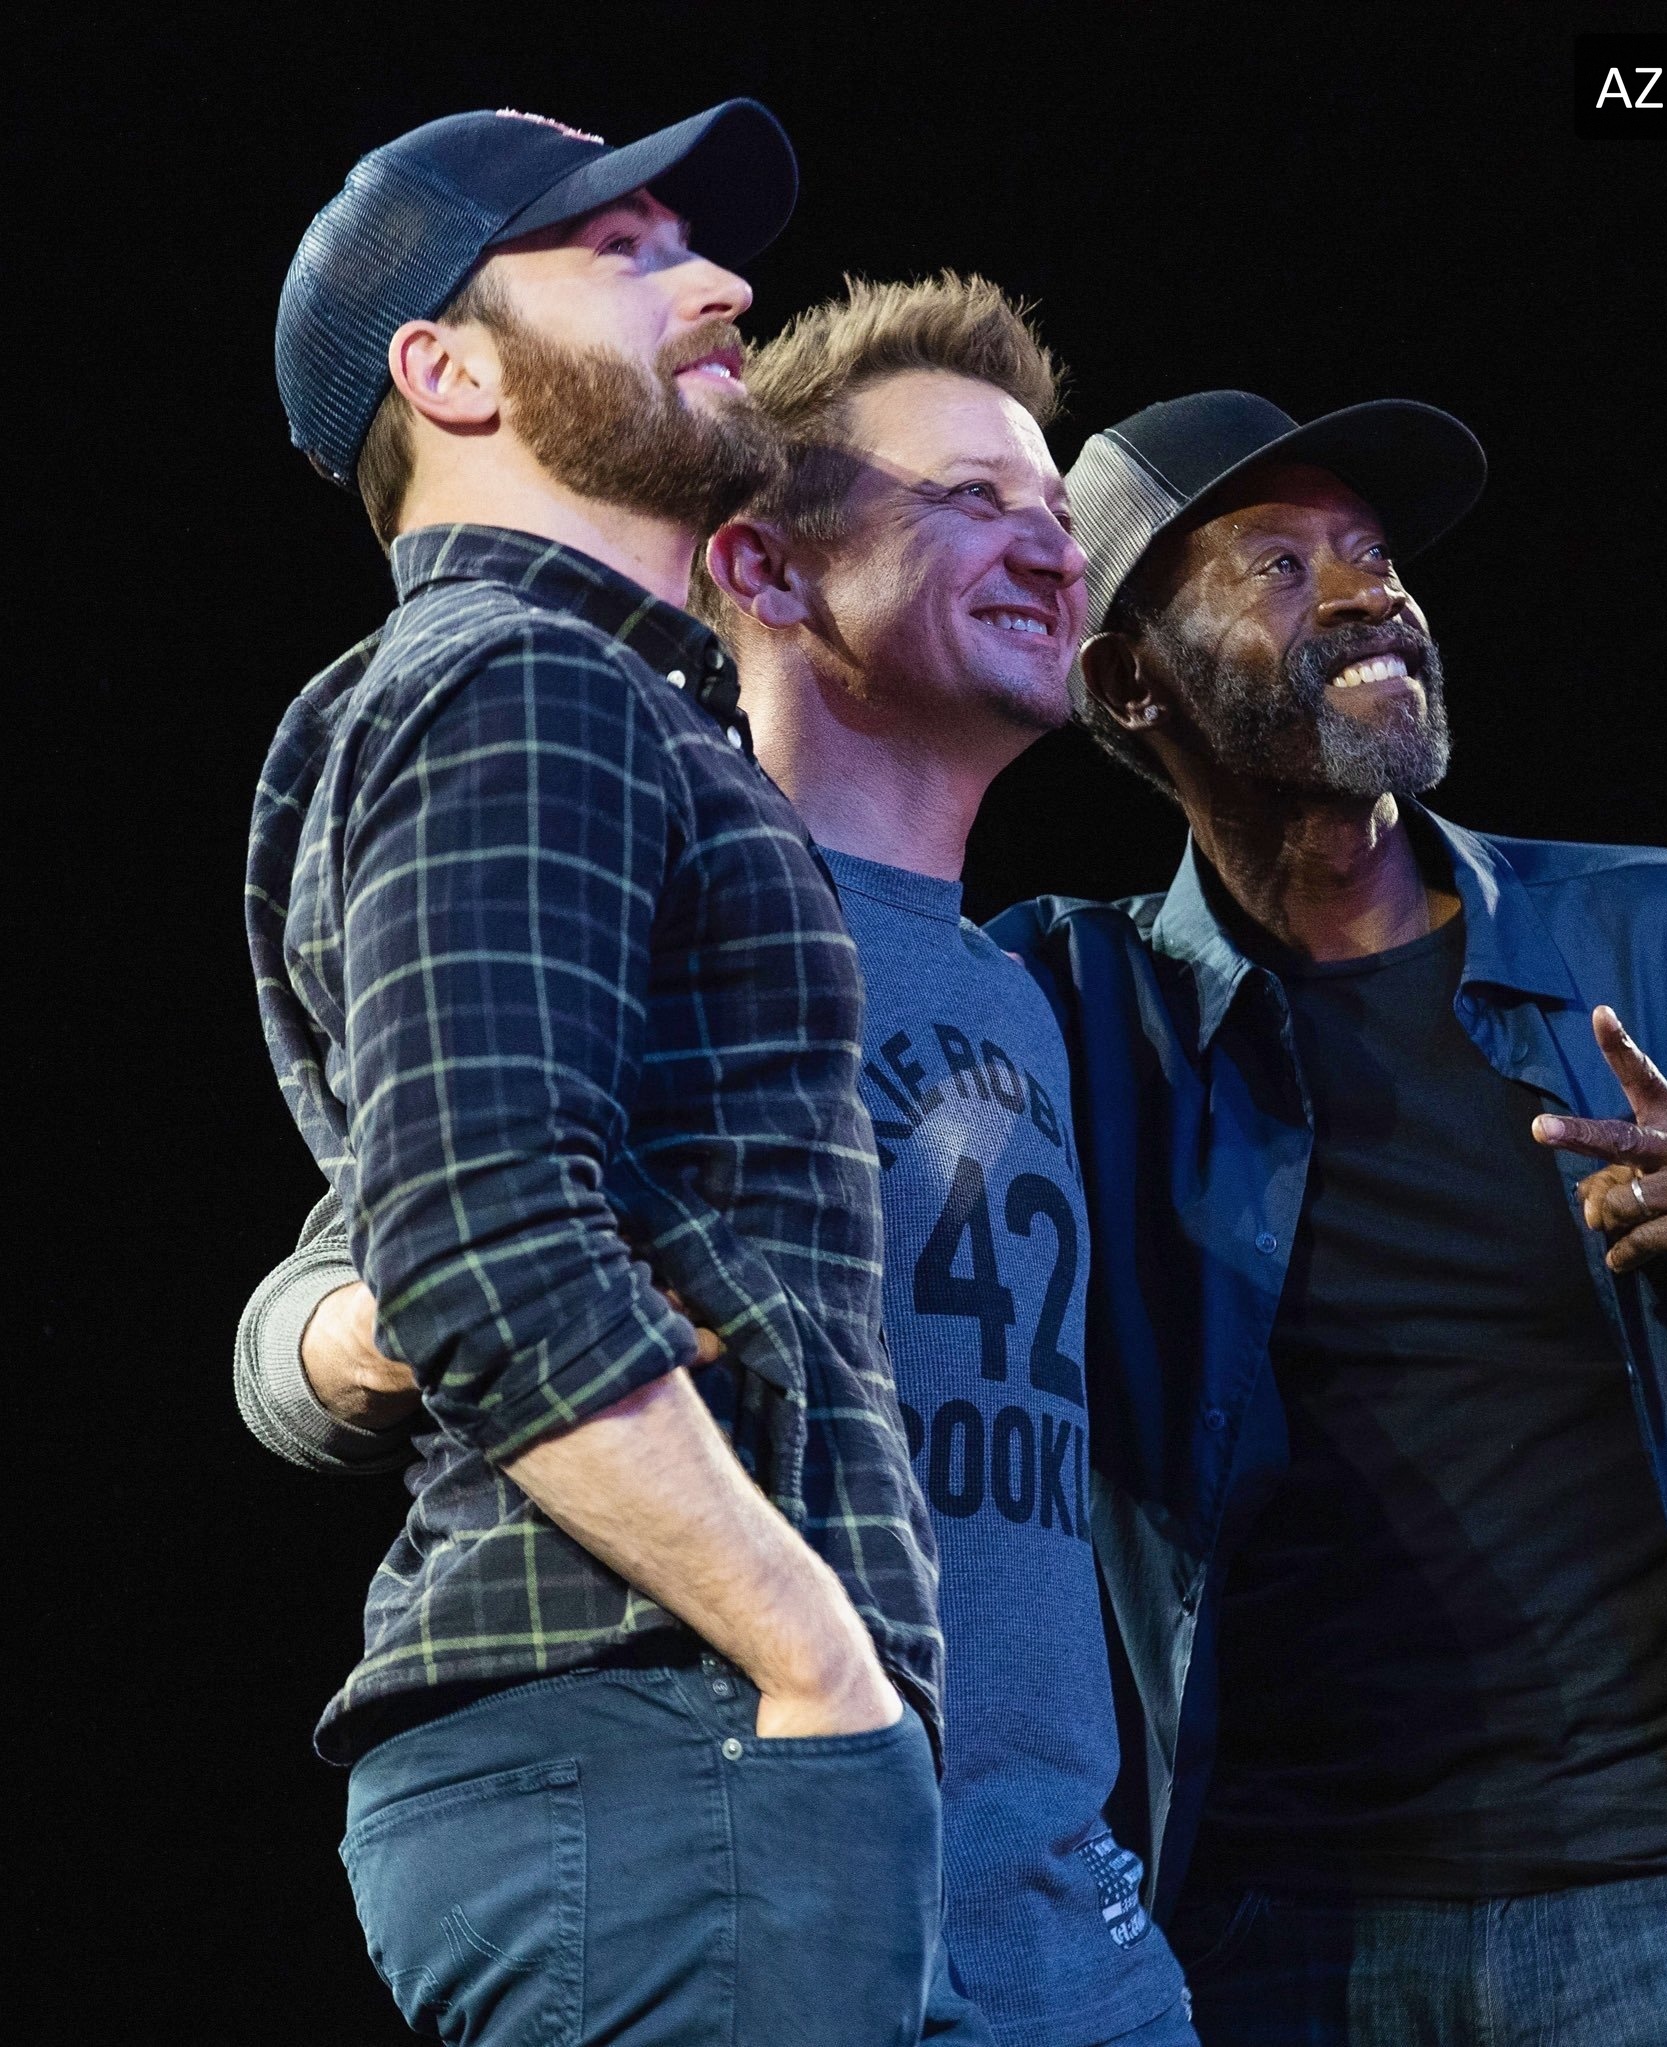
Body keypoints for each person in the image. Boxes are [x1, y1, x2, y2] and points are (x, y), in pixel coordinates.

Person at [239, 277, 1198, 2046]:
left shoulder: (1029, 989)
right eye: (969, 498)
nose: (1052, 548)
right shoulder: (671, 894)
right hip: (779, 1843)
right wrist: (380, 1319)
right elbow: (330, 1289)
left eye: (1055, 512)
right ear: (760, 566)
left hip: (1068, 1929)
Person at [989, 390, 1667, 2047]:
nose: (1368, 594)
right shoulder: (1070, 1008)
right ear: (1128, 680)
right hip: (1272, 1940)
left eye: (1375, 554)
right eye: (1280, 564)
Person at [250, 107, 948, 2044]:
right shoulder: (522, 682)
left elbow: (390, 1241)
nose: (719, 282)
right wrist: (819, 1667)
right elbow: (479, 1245)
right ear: (448, 372)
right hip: (669, 1732)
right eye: (624, 254)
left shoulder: (555, 694)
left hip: (666, 1745)